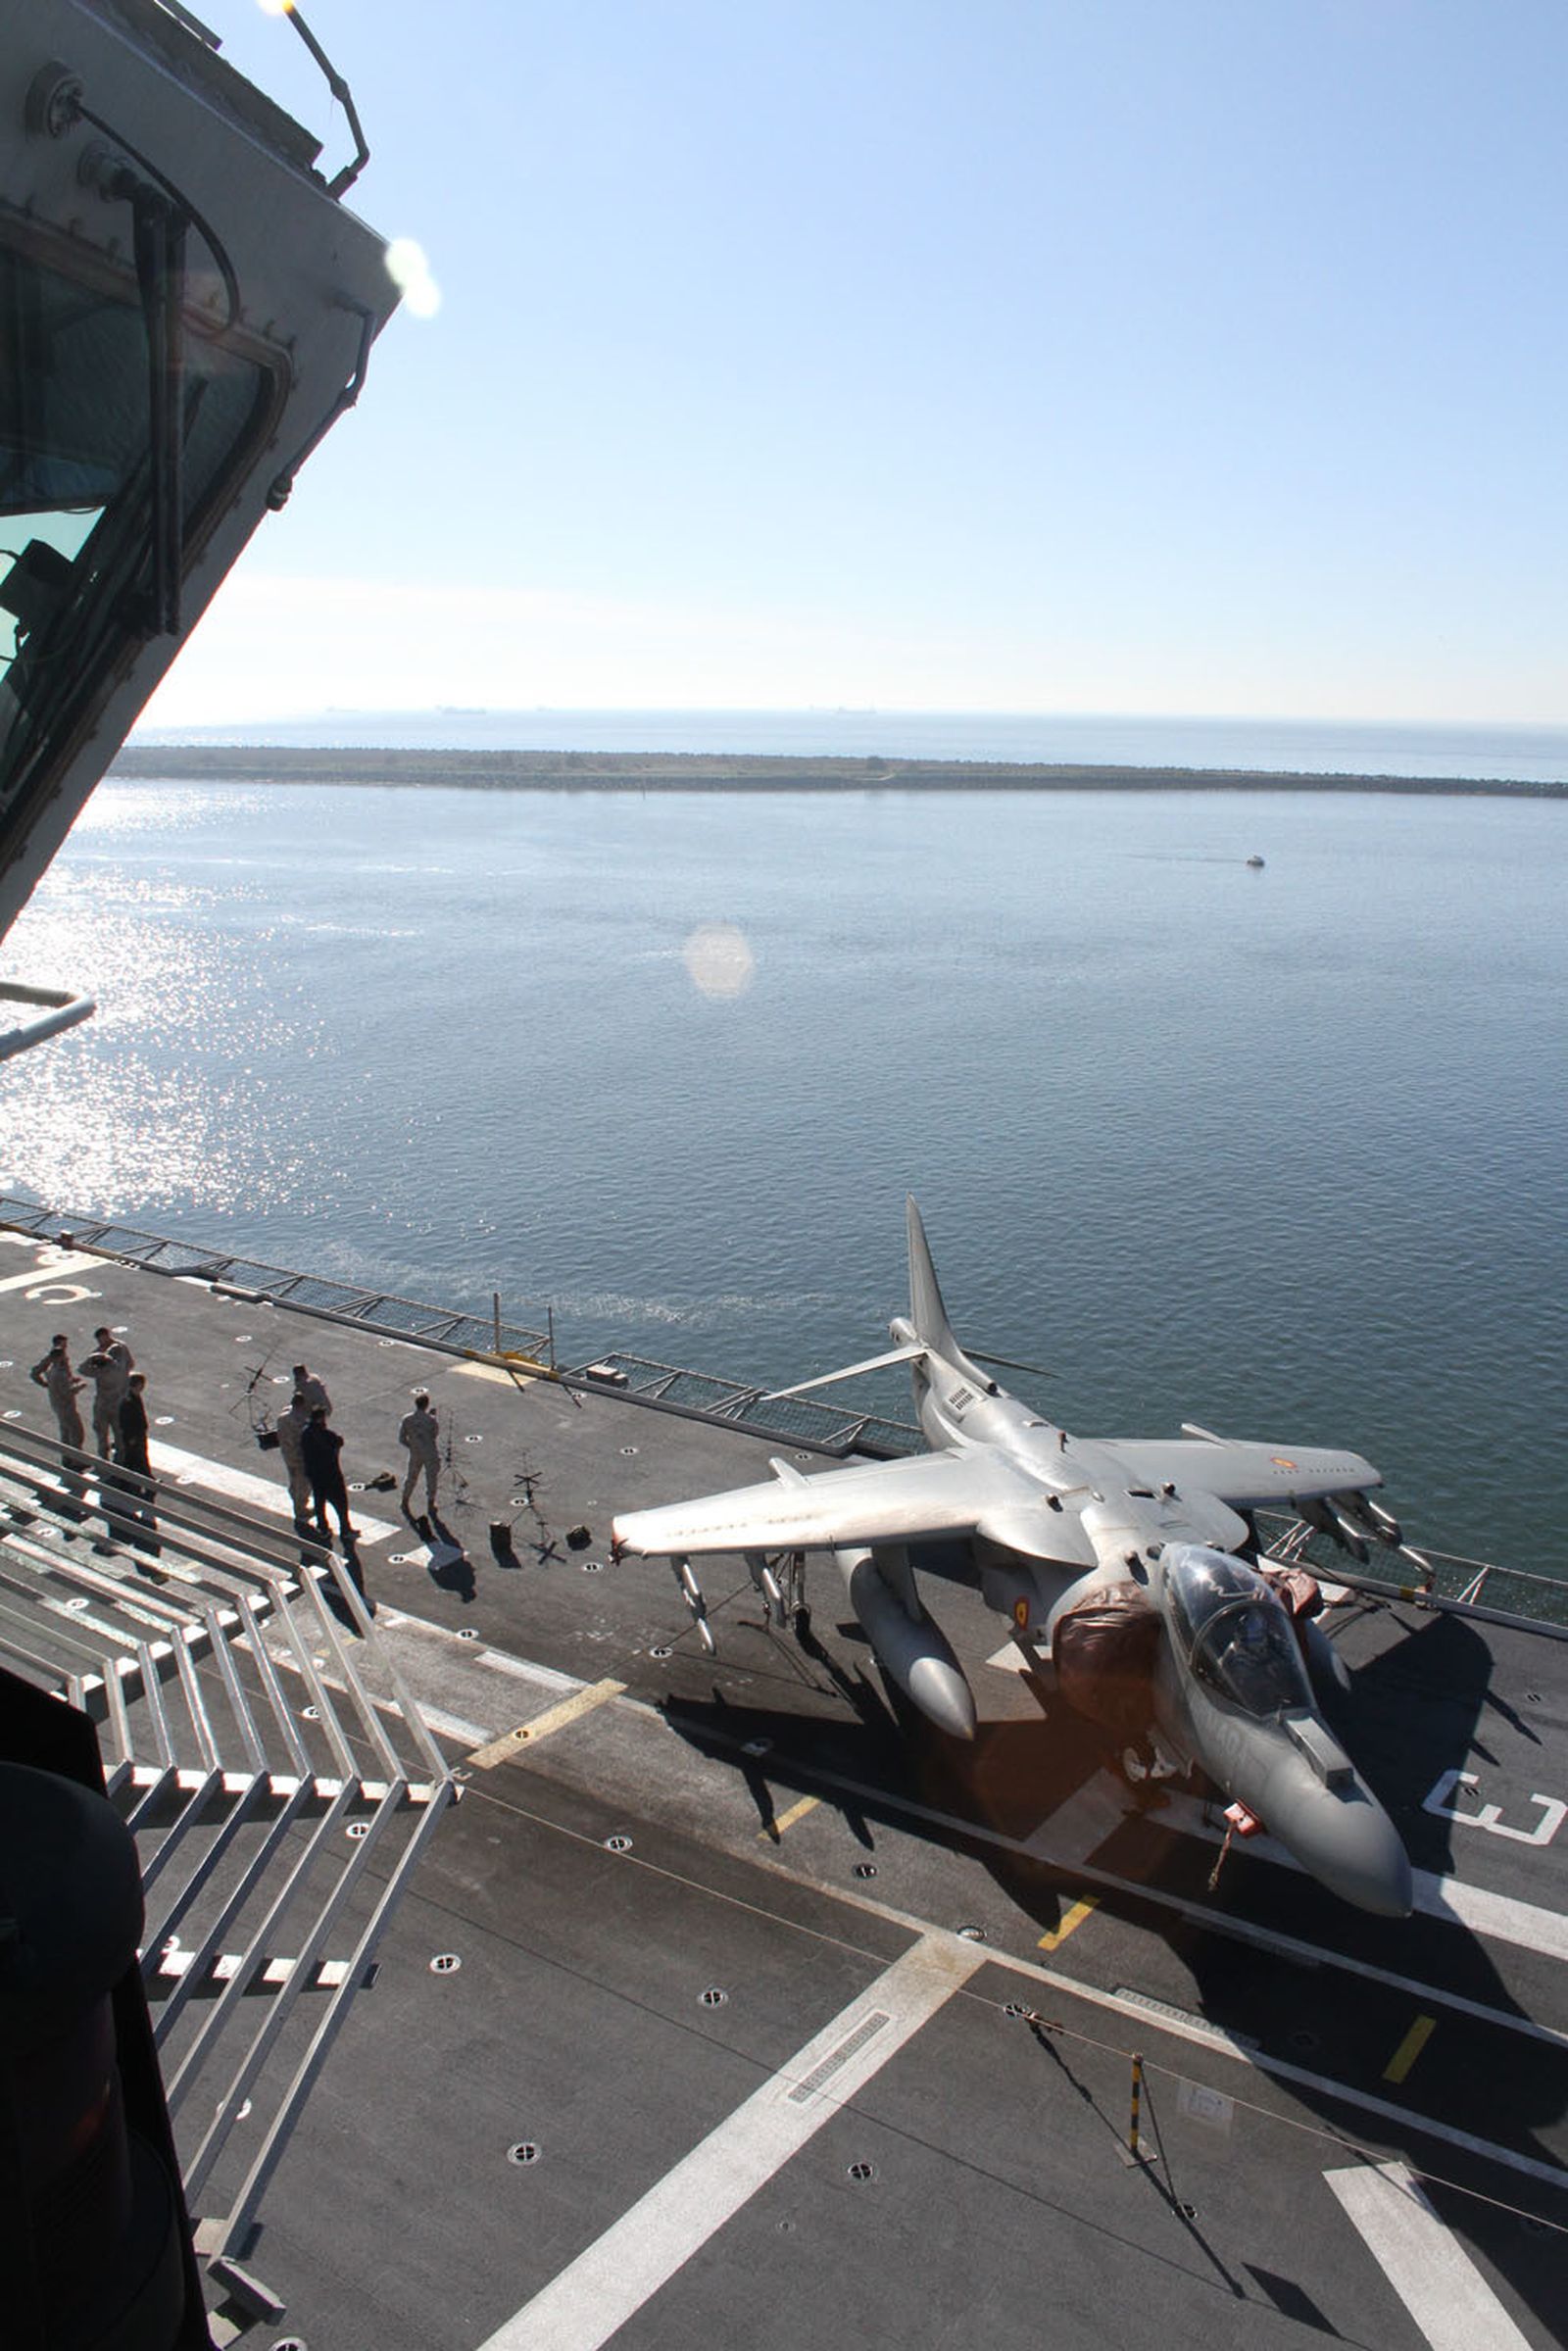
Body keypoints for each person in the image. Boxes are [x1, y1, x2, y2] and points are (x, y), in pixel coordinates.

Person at [300, 1405, 354, 1546]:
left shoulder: (305, 1433)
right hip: (330, 1473)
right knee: (341, 1503)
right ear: (321, 1418)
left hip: (314, 1474)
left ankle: (323, 1527)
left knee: (319, 1501)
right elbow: (338, 1442)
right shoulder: (325, 1434)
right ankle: (345, 1529)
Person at [79, 1327, 134, 1460]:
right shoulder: (113, 1352)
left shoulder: (111, 1359)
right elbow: (130, 1364)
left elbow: (83, 1369)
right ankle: (115, 1456)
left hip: (110, 1400)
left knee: (111, 1430)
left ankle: (111, 1457)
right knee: (109, 1430)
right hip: (112, 1398)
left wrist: (95, 1359)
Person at [30, 1335, 85, 1450]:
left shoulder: (61, 1360)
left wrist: (70, 1380)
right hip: (64, 1402)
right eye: (63, 1344)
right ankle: (76, 1460)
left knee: (66, 1431)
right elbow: (36, 1373)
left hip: (60, 1399)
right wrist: (47, 1385)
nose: (65, 1347)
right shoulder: (52, 1360)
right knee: (75, 1431)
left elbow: (64, 1376)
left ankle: (68, 1458)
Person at [274, 1391, 315, 1528]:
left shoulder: (282, 1417)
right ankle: (301, 1510)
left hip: (287, 1453)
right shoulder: (302, 1419)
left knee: (293, 1478)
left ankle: (296, 1499)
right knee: (303, 1484)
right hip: (300, 1456)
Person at [398, 1392, 441, 1516]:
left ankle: (404, 1501)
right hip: (429, 1452)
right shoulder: (431, 1420)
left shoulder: (407, 1419)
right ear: (426, 1405)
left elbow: (401, 1438)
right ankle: (430, 1503)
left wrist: (411, 1446)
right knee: (431, 1478)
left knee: (411, 1477)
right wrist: (432, 1416)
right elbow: (434, 1434)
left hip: (415, 1452)